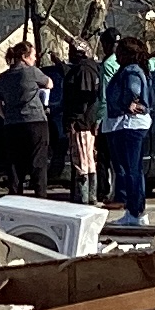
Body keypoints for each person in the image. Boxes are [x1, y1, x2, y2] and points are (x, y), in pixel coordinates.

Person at [102, 33, 155, 225]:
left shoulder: (131, 70)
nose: (116, 56)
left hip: (129, 125)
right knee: (133, 169)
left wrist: (128, 103)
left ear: (126, 54)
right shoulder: (139, 69)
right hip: (132, 125)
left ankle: (136, 212)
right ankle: (134, 211)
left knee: (131, 170)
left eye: (119, 53)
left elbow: (134, 89)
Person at [0, 41, 55, 194]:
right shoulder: (31, 72)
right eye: (33, 56)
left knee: (14, 164)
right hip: (35, 121)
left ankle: (15, 196)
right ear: (24, 57)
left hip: (11, 124)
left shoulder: (3, 77)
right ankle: (40, 196)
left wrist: (6, 116)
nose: (35, 59)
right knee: (38, 162)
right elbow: (50, 84)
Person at [62, 40, 104, 204]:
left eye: (72, 50)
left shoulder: (84, 70)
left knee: (82, 160)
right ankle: (88, 195)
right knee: (87, 158)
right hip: (86, 121)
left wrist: (74, 118)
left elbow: (85, 98)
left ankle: (85, 196)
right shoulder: (88, 68)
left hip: (82, 123)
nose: (70, 54)